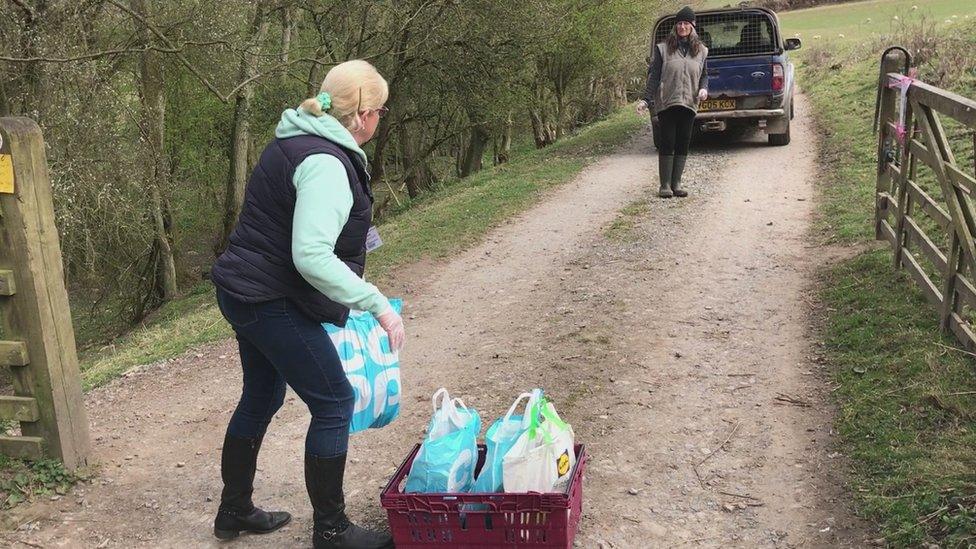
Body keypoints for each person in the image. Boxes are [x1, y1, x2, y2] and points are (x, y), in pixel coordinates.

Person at [209, 59, 404, 549]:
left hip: (243, 289)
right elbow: (311, 255)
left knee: (262, 396)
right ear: (360, 115)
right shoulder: (325, 163)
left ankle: (234, 511)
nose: (381, 120)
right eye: (379, 110)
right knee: (335, 400)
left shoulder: (295, 139)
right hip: (267, 297)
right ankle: (333, 532)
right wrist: (376, 302)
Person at [637, 6, 709, 198]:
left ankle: (677, 183)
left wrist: (704, 88)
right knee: (667, 141)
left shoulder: (701, 51)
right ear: (675, 26)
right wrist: (645, 99)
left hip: (689, 103)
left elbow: (704, 75)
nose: (682, 27)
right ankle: (665, 185)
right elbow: (654, 77)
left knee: (683, 142)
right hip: (667, 103)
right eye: (679, 23)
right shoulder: (663, 49)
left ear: (693, 26)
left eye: (686, 23)